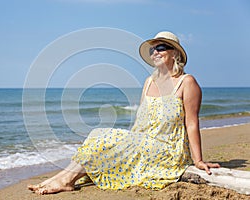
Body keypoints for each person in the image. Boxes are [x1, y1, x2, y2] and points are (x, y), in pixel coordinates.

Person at [28, 31, 220, 194]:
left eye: (161, 47)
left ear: (175, 53)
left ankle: (65, 180)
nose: (155, 52)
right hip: (143, 143)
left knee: (104, 137)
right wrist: (127, 142)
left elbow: (192, 123)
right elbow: (141, 122)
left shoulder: (187, 82)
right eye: (153, 49)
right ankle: (63, 177)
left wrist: (198, 160)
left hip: (168, 149)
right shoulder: (149, 82)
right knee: (98, 135)